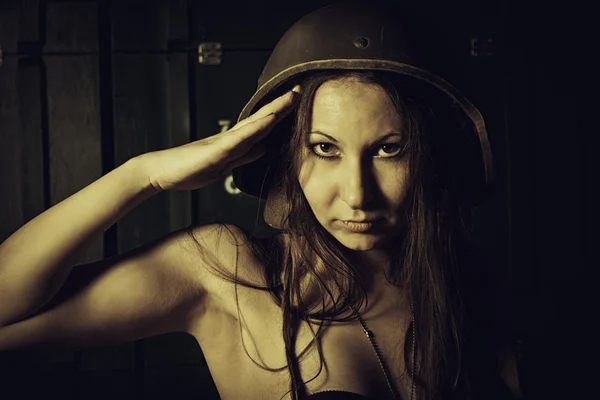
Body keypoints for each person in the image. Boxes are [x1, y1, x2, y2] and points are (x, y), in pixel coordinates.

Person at [0, 1, 522, 399]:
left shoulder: (472, 288)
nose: (357, 193)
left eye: (389, 149)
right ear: (288, 156)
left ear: (429, 157)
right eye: (325, 149)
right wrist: (145, 174)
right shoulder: (225, 275)